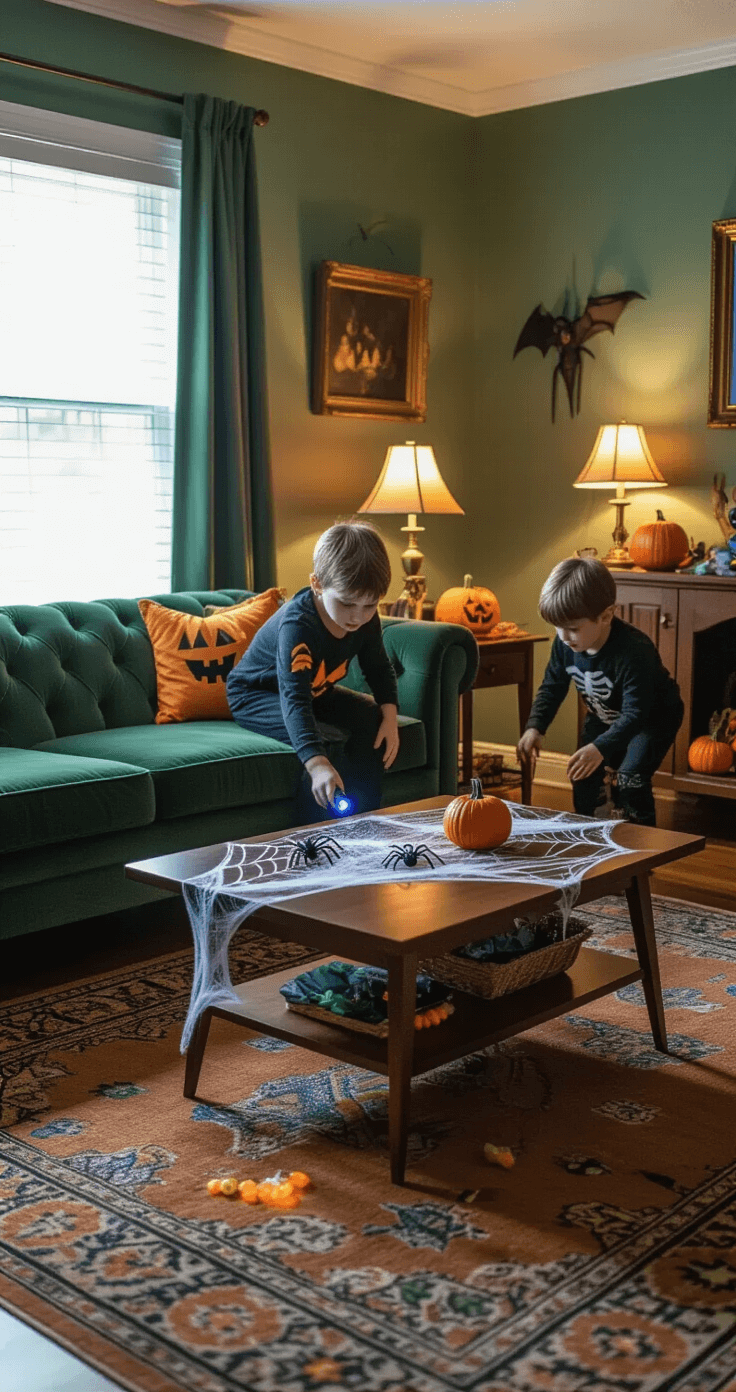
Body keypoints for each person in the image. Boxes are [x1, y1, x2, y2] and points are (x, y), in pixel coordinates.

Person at [226, 521, 400, 822]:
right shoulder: (298, 625)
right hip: (258, 695)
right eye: (347, 604)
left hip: (315, 692)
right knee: (323, 740)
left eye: (370, 605)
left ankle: (366, 817)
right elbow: (294, 699)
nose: (358, 616)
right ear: (317, 584)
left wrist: (389, 716)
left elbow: (378, 667)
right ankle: (313, 833)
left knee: (372, 720)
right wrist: (317, 763)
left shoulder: (364, 618)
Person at [516, 556, 684, 825]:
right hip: (604, 713)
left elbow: (636, 714)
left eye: (572, 628)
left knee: (631, 777)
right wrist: (536, 726)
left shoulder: (634, 651)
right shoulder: (565, 645)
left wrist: (600, 747)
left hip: (652, 719)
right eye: (557, 627)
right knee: (582, 771)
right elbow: (552, 686)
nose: (563, 636)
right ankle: (589, 831)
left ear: (606, 616)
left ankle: (641, 847)